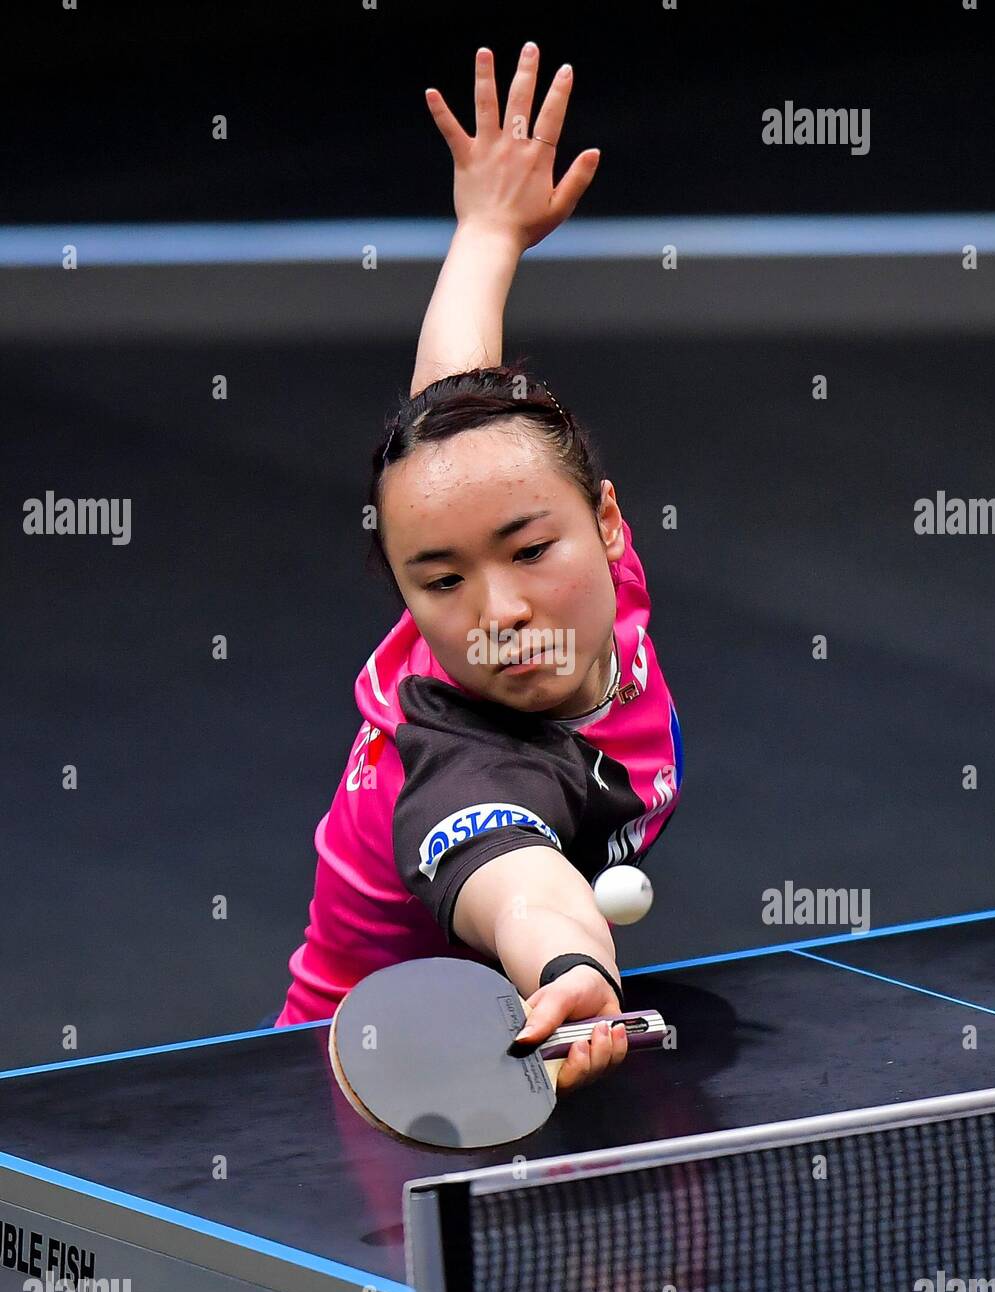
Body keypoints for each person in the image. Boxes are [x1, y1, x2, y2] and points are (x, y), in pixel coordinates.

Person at [269, 42, 683, 1094]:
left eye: (528, 549)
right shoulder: (461, 759)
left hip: (493, 1039)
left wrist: (488, 234)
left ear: (607, 524)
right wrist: (575, 961)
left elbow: (453, 421)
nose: (499, 607)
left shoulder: (513, 513)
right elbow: (518, 878)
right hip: (383, 1088)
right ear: (403, 589)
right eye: (439, 580)